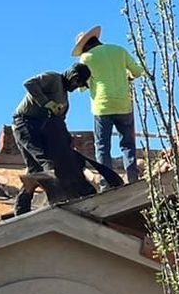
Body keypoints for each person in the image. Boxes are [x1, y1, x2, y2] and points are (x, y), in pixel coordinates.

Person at [9, 63, 115, 214]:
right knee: (46, 161)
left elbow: (59, 122)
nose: (77, 87)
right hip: (25, 124)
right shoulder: (53, 78)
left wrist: (66, 141)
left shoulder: (65, 100)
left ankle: (21, 209)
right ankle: (56, 201)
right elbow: (29, 83)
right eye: (78, 83)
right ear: (73, 76)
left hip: (40, 128)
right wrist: (46, 102)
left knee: (35, 169)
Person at [73, 26, 146, 184]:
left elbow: (81, 86)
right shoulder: (119, 50)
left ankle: (108, 183)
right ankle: (133, 178)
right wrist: (127, 77)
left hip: (102, 106)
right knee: (127, 144)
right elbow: (138, 72)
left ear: (84, 46)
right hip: (123, 104)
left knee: (102, 146)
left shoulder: (86, 58)